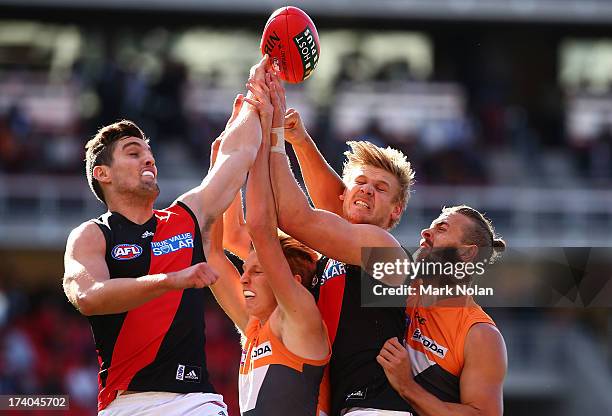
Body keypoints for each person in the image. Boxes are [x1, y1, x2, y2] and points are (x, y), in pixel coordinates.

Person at [62, 56, 269, 415]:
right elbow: (90, 296)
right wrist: (171, 280)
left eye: (149, 152)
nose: (148, 160)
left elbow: (239, 152)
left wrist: (255, 94)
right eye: (133, 153)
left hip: (195, 402)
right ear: (103, 174)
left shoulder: (186, 215)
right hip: (126, 403)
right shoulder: (91, 235)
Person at [265, 73, 416, 416]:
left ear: (396, 210)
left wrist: (275, 137)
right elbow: (335, 207)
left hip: (378, 409)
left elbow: (296, 218)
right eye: (360, 182)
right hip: (345, 405)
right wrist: (300, 141)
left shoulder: (384, 249)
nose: (366, 190)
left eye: (380, 188)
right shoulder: (338, 249)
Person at [206, 76, 331, 416]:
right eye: (246, 270)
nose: (243, 279)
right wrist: (223, 164)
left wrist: (261, 138)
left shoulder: (298, 317)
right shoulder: (255, 326)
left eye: (257, 271)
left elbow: (260, 229)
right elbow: (215, 254)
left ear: (294, 280)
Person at [377, 205, 507, 416]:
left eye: (442, 228)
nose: (426, 233)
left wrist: (407, 386)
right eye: (431, 227)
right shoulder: (401, 283)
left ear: (467, 252)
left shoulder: (480, 334)